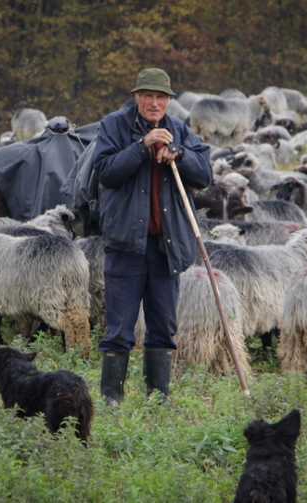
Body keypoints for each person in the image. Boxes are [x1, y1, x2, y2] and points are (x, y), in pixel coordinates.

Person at [93, 68, 212, 404]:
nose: (154, 103)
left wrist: (180, 154)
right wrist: (142, 146)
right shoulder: (113, 126)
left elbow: (204, 174)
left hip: (165, 248)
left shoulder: (179, 130)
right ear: (136, 97)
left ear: (169, 100)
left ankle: (158, 399)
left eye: (161, 97)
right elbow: (106, 172)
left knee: (163, 327)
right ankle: (111, 400)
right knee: (119, 329)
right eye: (148, 96)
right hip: (125, 246)